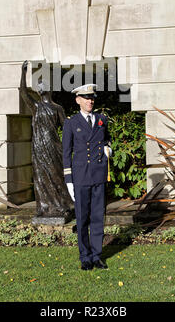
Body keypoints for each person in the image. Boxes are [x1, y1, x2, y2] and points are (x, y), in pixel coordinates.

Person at [62, 84, 112, 270]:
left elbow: (106, 139)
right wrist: (69, 180)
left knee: (98, 217)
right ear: (78, 100)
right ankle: (85, 257)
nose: (90, 101)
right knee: (82, 219)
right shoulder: (71, 123)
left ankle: (97, 256)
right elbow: (66, 153)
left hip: (98, 175)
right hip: (81, 177)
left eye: (92, 98)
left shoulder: (101, 119)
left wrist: (108, 148)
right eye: (86, 98)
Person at [20, 60, 74, 219]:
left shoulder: (57, 108)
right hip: (39, 147)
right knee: (40, 176)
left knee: (57, 175)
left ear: (49, 90)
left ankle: (63, 205)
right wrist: (23, 73)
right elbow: (23, 92)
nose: (42, 88)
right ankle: (43, 207)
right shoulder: (35, 106)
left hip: (54, 146)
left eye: (44, 85)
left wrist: (69, 146)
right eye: (39, 86)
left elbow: (66, 128)